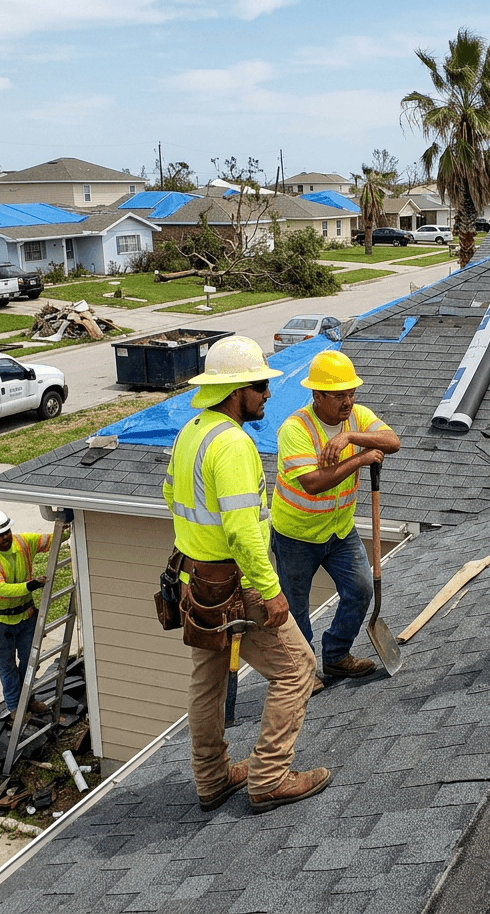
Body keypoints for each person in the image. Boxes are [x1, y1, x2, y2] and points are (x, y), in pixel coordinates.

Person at [163, 336, 329, 814]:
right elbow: (242, 531)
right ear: (235, 391)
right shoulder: (233, 444)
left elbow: (171, 497)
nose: (268, 395)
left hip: (197, 581)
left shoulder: (191, 432)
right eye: (260, 386)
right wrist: (270, 590)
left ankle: (212, 778)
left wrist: (200, 551)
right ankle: (270, 777)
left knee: (208, 681)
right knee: (297, 669)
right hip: (238, 584)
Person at [271, 351, 400, 686]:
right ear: (317, 395)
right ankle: (303, 674)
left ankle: (337, 656)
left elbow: (392, 442)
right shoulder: (295, 429)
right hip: (296, 536)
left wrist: (350, 438)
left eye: (351, 393)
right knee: (296, 609)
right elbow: (313, 484)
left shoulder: (356, 418)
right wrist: (358, 460)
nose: (348, 401)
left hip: (339, 531)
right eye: (339, 394)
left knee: (360, 589)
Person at [0, 510, 57, 716]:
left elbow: (54, 539)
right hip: (0, 622)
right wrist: (30, 586)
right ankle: (14, 707)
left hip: (26, 616)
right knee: (8, 666)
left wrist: (68, 521)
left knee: (31, 660)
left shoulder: (23, 542)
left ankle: (27, 699)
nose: (4, 537)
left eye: (7, 531)